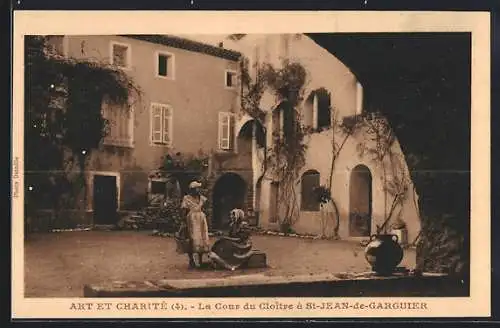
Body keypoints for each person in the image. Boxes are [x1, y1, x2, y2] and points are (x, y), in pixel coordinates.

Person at [178, 181, 210, 268]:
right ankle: (191, 260)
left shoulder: (202, 198)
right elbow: (183, 211)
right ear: (192, 189)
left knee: (202, 239)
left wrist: (205, 217)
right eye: (197, 188)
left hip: (201, 220)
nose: (198, 190)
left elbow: (206, 209)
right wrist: (184, 221)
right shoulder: (187, 198)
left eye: (199, 188)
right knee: (192, 239)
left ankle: (200, 260)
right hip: (191, 220)